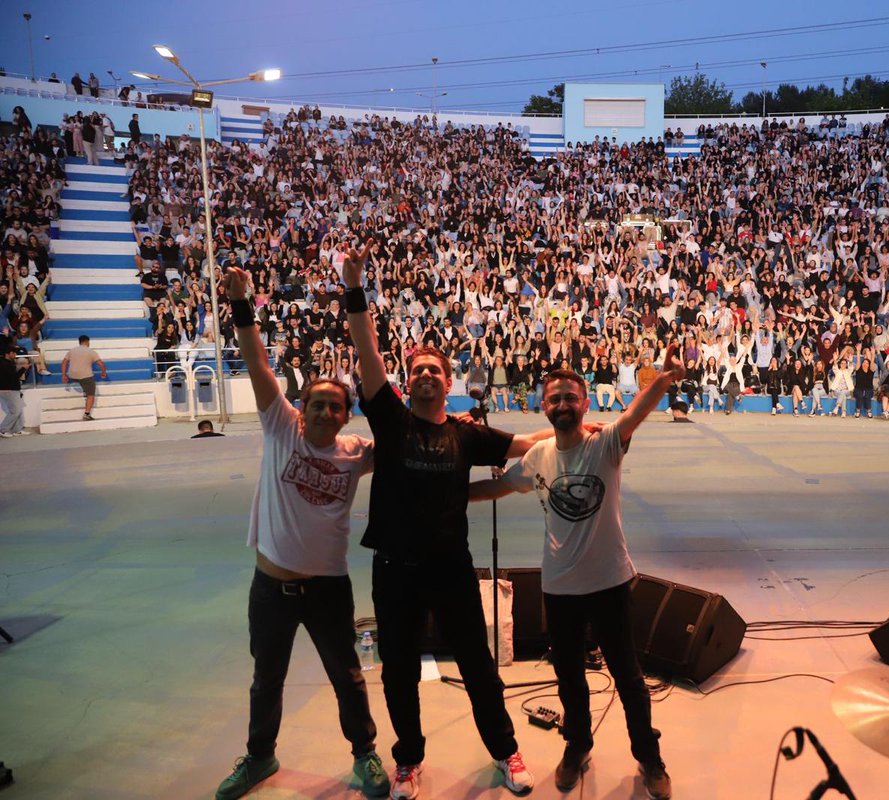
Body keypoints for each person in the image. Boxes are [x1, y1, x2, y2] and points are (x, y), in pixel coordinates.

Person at [343, 239, 546, 800]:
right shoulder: (390, 420)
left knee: (480, 668)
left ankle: (506, 752)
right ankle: (409, 760)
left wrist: (576, 432)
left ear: (449, 381)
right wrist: (354, 287)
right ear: (408, 382)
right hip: (395, 569)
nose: (427, 373)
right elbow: (367, 352)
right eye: (418, 369)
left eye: (436, 367)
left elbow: (525, 443)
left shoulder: (466, 434)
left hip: (453, 568)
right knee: (400, 672)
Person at [468, 346, 684, 800]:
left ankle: (649, 757)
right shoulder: (538, 457)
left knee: (628, 678)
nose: (563, 404)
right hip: (559, 588)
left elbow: (634, 414)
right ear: (543, 406)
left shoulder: (605, 444)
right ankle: (577, 746)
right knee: (569, 679)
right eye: (555, 398)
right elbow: (498, 487)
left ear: (586, 404)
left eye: (571, 397)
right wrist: (446, 494)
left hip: (610, 583)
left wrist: (662, 381)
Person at [213, 266, 388, 800]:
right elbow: (256, 359)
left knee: (348, 678)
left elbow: (408, 451)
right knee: (267, 678)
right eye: (318, 403)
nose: (326, 412)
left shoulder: (355, 453)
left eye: (337, 406)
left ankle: (365, 754)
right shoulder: (279, 426)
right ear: (301, 406)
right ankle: (261, 757)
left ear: (346, 414)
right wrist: (241, 302)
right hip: (271, 587)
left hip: (328, 589)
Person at [61, 335, 107, 420]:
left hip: (72, 375)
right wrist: (103, 372)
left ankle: (85, 390)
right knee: (91, 394)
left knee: (84, 380)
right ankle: (87, 414)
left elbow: (64, 363)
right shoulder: (91, 351)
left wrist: (64, 375)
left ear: (79, 342)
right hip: (85, 376)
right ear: (88, 342)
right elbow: (101, 364)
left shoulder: (72, 350)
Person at [0, 346, 30, 437]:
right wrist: (24, 368)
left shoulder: (7, 363)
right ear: (7, 354)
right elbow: (14, 377)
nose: (15, 355)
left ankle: (17, 430)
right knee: (15, 411)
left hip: (12, 389)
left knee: (18, 410)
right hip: (8, 390)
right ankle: (3, 429)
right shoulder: (4, 364)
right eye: (13, 353)